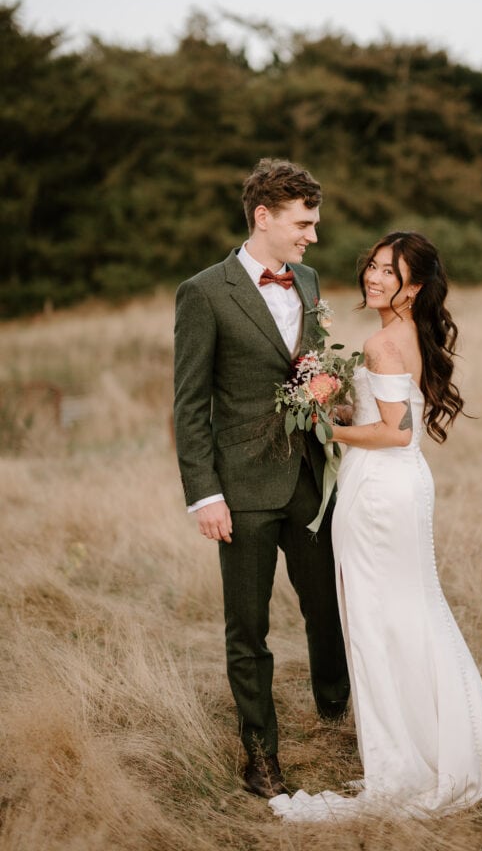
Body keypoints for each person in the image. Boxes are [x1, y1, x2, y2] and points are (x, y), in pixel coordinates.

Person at [270, 231, 482, 821]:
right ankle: (436, 738)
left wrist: (325, 427)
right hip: (400, 484)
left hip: (381, 488)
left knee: (380, 621)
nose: (374, 278)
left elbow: (394, 432)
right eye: (373, 267)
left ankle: (403, 759)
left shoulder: (382, 342)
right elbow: (392, 414)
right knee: (409, 611)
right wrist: (343, 408)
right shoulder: (410, 335)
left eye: (390, 271)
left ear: (417, 285)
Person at [173, 158, 349, 799]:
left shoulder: (307, 279)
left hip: (309, 477)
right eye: (304, 223)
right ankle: (261, 754)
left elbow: (311, 362)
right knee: (248, 630)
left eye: (315, 223)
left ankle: (336, 709)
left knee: (327, 606)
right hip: (240, 489)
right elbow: (189, 405)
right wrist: (205, 493)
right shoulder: (203, 292)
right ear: (264, 216)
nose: (313, 236)